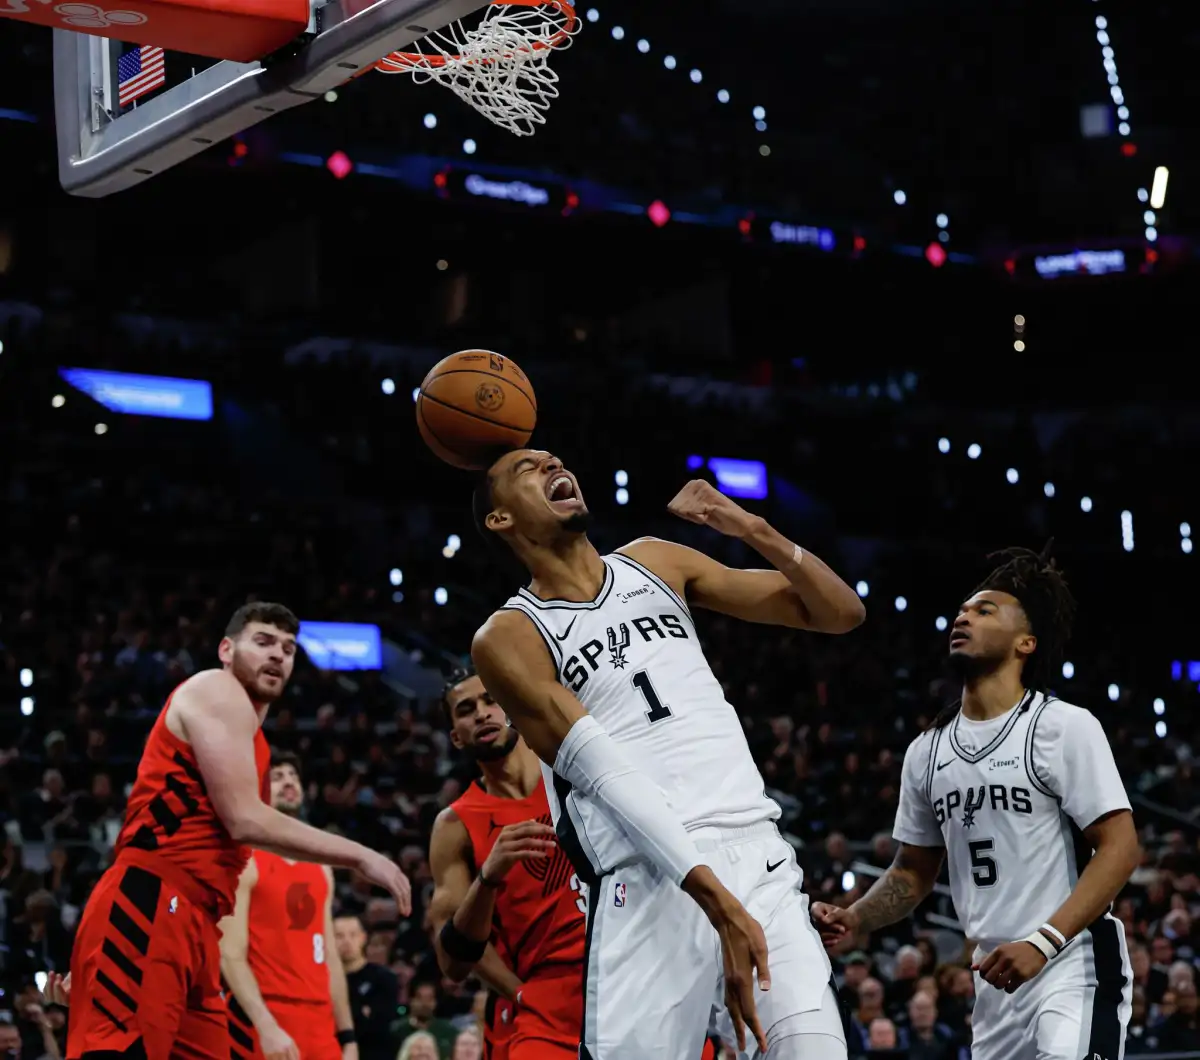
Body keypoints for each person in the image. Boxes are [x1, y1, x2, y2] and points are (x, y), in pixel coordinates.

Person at [470, 455, 865, 1059]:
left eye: (553, 457)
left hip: (756, 857)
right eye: (528, 467)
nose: (551, 461)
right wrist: (715, 900)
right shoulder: (509, 636)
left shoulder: (655, 561)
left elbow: (840, 613)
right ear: (500, 518)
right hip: (648, 878)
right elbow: (609, 777)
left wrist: (750, 527)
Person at [813, 546, 1140, 1060]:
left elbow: (1121, 847)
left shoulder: (1061, 726)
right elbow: (912, 872)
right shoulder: (927, 751)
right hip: (994, 981)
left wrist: (1043, 942)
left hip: (1071, 961)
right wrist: (857, 918)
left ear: (1026, 642)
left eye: (985, 611)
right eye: (962, 610)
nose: (963, 617)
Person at [62, 602, 412, 1060]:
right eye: (263, 642)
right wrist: (361, 855)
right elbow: (244, 819)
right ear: (226, 650)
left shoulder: (254, 743)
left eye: (288, 648)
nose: (278, 655)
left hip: (197, 921)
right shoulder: (217, 688)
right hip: (153, 898)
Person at [429, 667, 585, 1059]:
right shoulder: (455, 825)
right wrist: (488, 877)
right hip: (542, 1006)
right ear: (456, 736)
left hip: (622, 975)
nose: (482, 713)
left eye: (491, 700)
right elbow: (452, 962)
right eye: (466, 710)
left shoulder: (578, 773)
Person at [220, 751, 356, 1060]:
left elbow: (330, 956)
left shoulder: (321, 867)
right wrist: (265, 1025)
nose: (288, 782)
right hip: (267, 1016)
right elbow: (229, 954)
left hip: (320, 1022)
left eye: (293, 776)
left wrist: (347, 1035)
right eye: (277, 777)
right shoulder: (243, 861)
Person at [333, 915, 400, 1060]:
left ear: (363, 938)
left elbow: (379, 1025)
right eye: (339, 936)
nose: (347, 941)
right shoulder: (323, 980)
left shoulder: (384, 978)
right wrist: (361, 1012)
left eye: (353, 935)